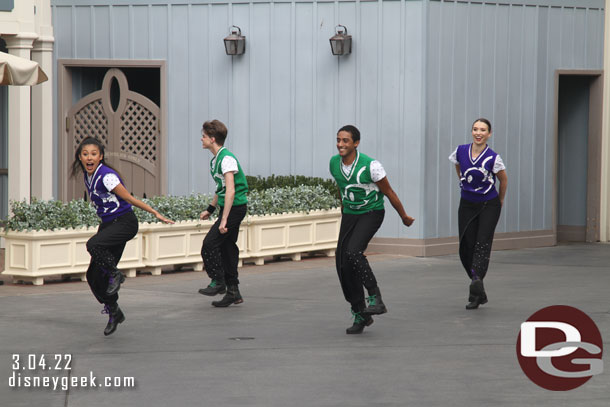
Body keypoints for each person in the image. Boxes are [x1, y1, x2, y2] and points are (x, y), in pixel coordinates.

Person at [71, 137, 174, 336]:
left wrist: (155, 213)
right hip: (109, 226)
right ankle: (114, 312)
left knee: (93, 245)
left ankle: (116, 274)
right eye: (85, 154)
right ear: (80, 157)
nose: (89, 158)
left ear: (100, 157)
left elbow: (128, 198)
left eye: (94, 154)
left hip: (125, 223)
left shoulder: (107, 176)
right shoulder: (87, 174)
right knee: (93, 276)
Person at [330, 125, 415, 334]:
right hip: (350, 215)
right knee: (342, 263)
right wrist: (344, 213)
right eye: (338, 140)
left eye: (345, 141)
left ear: (356, 143)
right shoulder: (334, 163)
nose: (340, 144)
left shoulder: (372, 166)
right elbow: (341, 189)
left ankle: (375, 296)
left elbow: (389, 192)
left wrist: (403, 216)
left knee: (353, 252)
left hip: (371, 213)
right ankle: (360, 313)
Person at [449, 118, 507, 310]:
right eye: (475, 129)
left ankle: (475, 285)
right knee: (466, 246)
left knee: (482, 243)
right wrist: (463, 182)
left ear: (489, 134)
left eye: (483, 130)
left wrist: (500, 200)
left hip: (488, 204)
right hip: (467, 203)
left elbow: (503, 179)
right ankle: (479, 289)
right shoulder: (460, 151)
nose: (478, 133)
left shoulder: (493, 158)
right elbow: (458, 166)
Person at [198, 120, 249, 307]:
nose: (201, 139)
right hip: (230, 208)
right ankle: (233, 292)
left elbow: (231, 191)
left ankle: (218, 281)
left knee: (209, 244)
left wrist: (224, 219)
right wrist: (210, 209)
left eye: (203, 136)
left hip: (235, 209)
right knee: (227, 249)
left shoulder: (227, 159)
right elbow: (221, 188)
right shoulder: (216, 159)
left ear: (212, 139)